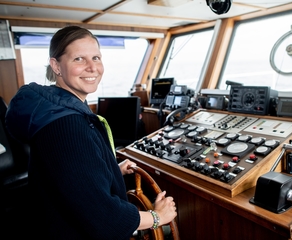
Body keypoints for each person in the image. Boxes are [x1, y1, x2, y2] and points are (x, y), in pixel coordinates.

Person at [5, 25, 177, 239]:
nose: (92, 67)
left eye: (96, 57)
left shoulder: (53, 111)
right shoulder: (67, 125)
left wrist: (112, 168)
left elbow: (72, 175)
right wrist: (157, 216)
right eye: (79, 59)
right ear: (56, 66)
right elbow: (105, 219)